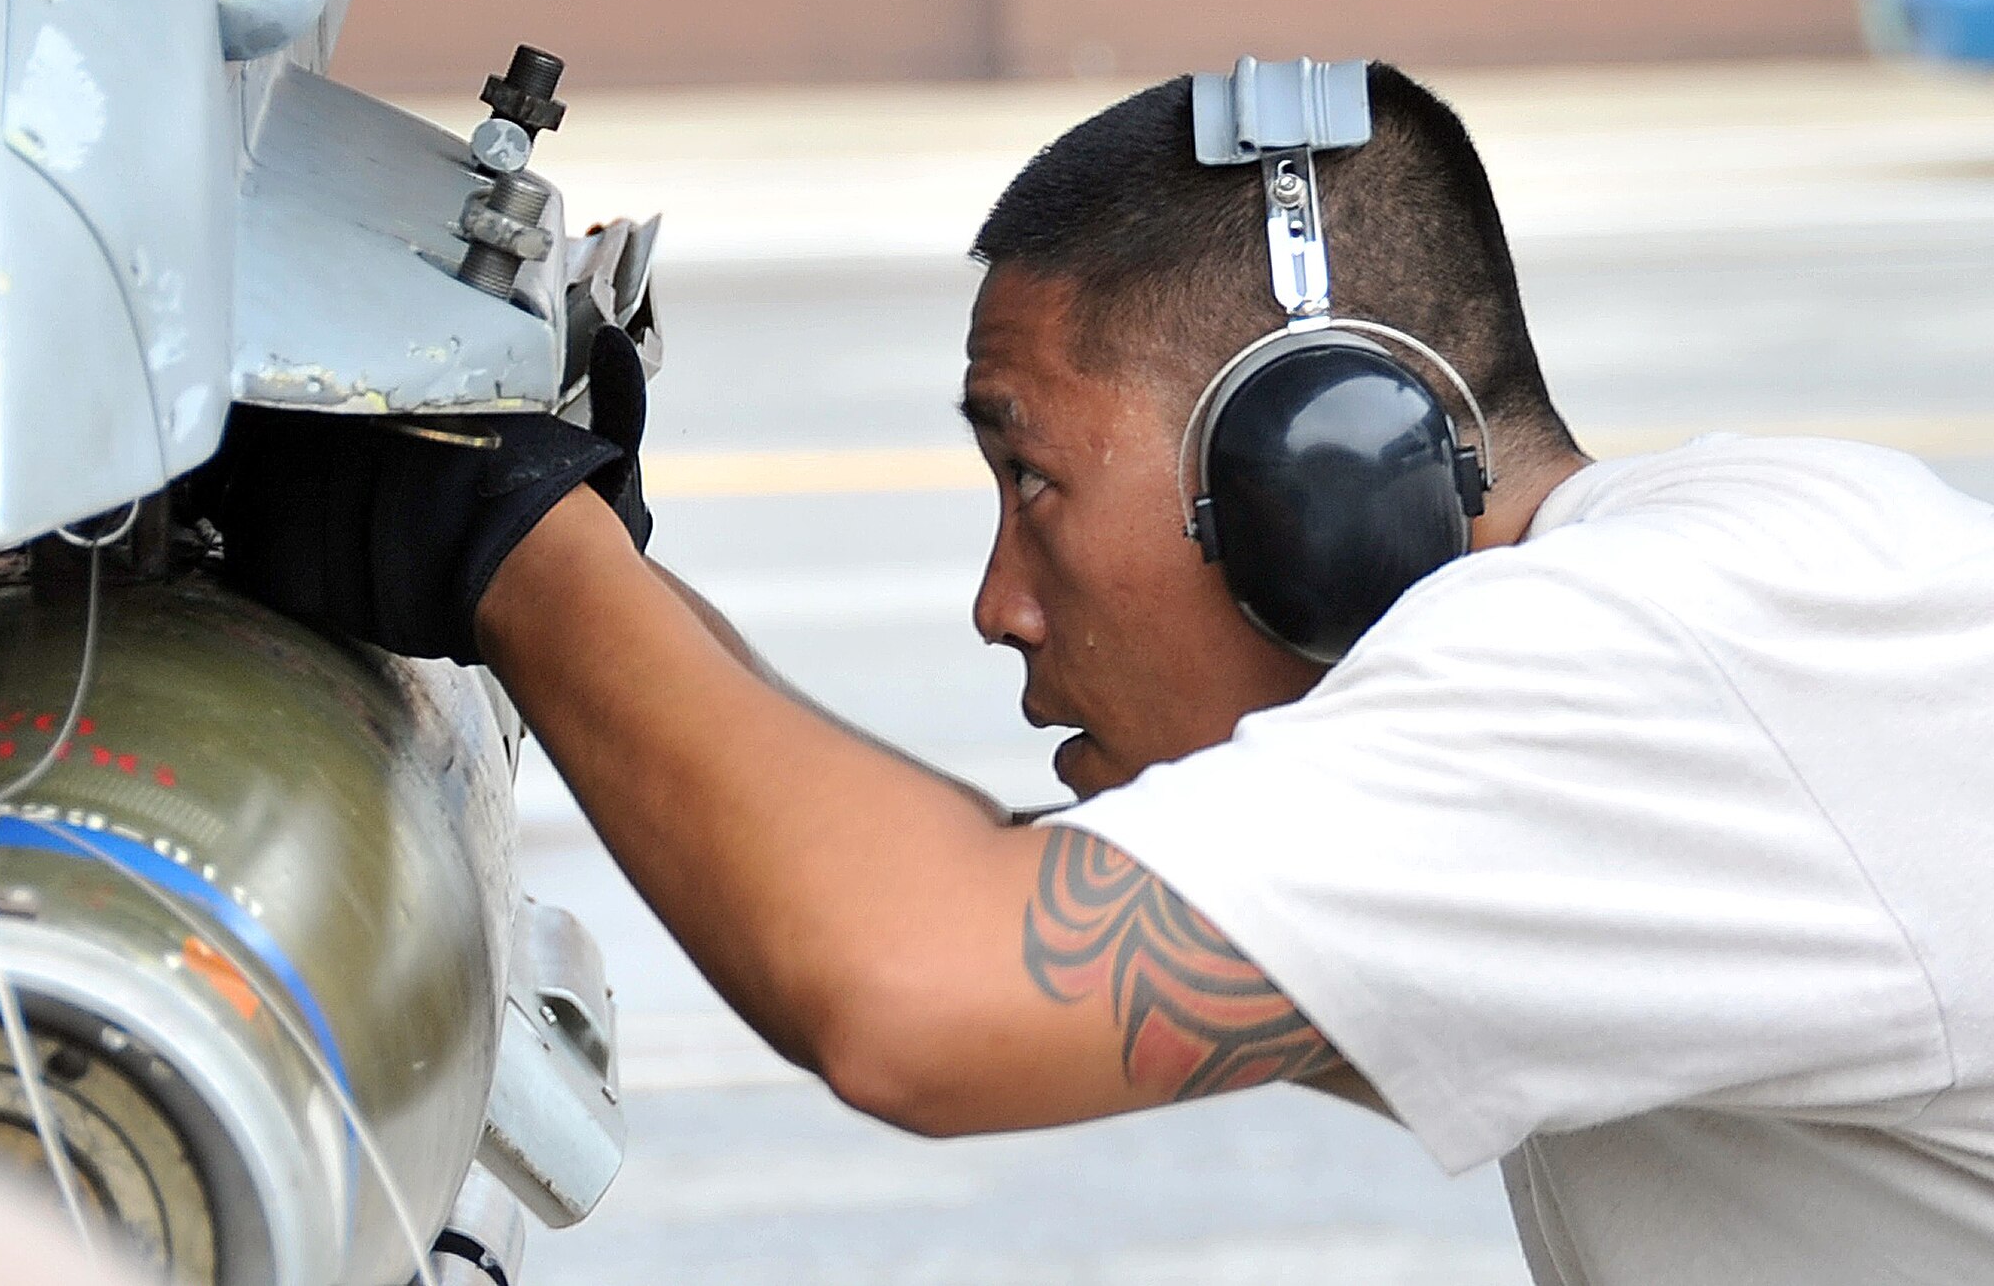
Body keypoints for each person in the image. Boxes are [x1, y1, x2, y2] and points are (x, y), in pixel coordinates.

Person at [209, 62, 1994, 1286]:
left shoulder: (1671, 659)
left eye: (1034, 480)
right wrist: (617, 594)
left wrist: (513, 548)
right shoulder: (1718, 615)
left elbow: (924, 983)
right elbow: (970, 910)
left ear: (1321, 467)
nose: (999, 602)